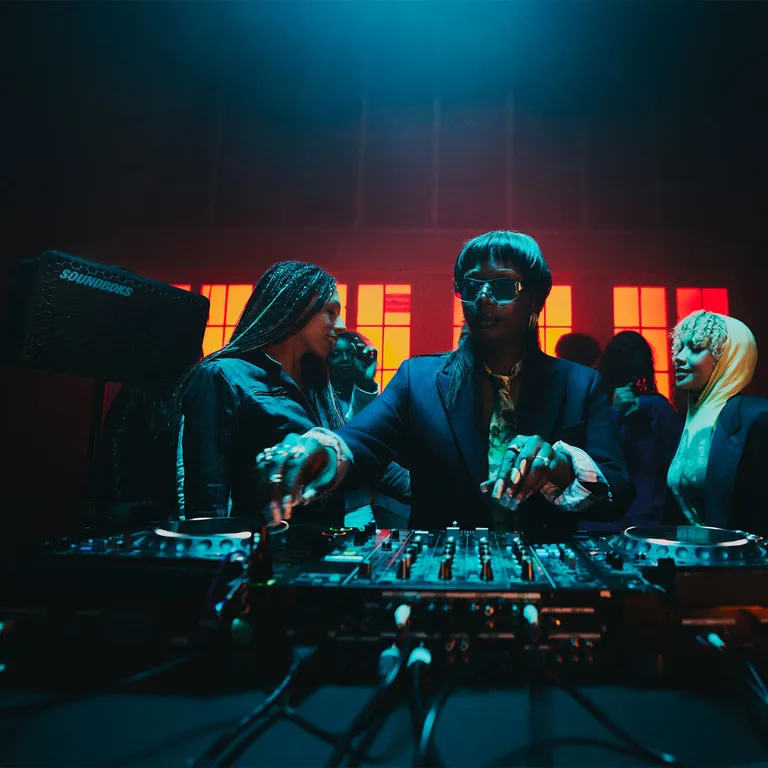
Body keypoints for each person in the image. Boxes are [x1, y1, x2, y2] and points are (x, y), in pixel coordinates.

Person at [258, 231, 633, 533]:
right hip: (440, 577)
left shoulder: (580, 384)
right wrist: (325, 449)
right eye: (471, 286)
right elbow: (362, 439)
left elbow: (618, 494)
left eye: (503, 286)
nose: (483, 298)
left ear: (535, 297)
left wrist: (560, 466)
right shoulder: (418, 379)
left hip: (546, 579)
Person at [177, 261, 349, 523]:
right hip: (265, 544)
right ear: (298, 307)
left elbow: (356, 451)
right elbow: (207, 500)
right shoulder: (222, 375)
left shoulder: (319, 384)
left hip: (325, 545)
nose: (342, 325)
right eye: (331, 311)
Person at [666, 310, 768, 536]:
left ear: (727, 359)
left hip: (741, 557)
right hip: (692, 554)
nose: (679, 357)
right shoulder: (686, 420)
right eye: (680, 347)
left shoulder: (757, 418)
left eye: (696, 348)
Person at [583, 331, 682, 532]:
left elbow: (676, 461)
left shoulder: (656, 407)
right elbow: (587, 455)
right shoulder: (593, 403)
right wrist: (615, 413)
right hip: (604, 513)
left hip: (642, 515)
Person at [328, 331, 411, 528]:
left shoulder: (376, 398)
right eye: (336, 354)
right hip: (331, 508)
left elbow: (369, 443)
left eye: (350, 353)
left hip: (360, 508)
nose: (344, 359)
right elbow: (352, 440)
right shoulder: (320, 397)